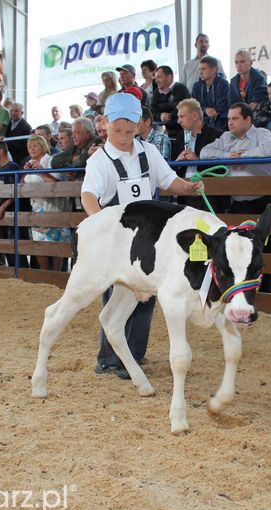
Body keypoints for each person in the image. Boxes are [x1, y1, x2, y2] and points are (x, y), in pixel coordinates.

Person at [80, 92, 201, 379]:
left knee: (146, 299)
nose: (123, 136)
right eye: (117, 130)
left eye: (130, 131)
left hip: (150, 239)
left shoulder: (149, 152)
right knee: (116, 300)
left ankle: (134, 357)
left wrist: (190, 188)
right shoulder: (100, 160)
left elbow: (169, 181)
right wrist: (100, 227)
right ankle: (109, 361)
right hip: (119, 241)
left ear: (139, 126)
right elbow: (88, 194)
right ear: (105, 124)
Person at [201, 102, 271, 293]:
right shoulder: (226, 137)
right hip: (237, 204)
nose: (230, 122)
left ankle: (266, 296)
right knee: (237, 252)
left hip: (263, 202)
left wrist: (242, 157)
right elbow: (205, 152)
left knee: (263, 253)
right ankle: (240, 294)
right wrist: (229, 155)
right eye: (228, 118)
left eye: (235, 118)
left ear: (247, 119)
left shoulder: (262, 134)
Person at [20, 135, 68, 271]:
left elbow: (57, 183)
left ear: (43, 146)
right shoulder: (29, 162)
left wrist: (41, 171)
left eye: (35, 145)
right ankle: (44, 274)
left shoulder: (51, 161)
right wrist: (24, 174)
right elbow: (22, 186)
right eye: (29, 147)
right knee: (40, 243)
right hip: (36, 209)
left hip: (53, 207)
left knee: (57, 243)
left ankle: (56, 273)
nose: (32, 149)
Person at [171, 98, 226, 212]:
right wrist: (178, 161)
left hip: (210, 193)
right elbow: (173, 168)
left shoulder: (216, 135)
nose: (178, 121)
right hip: (185, 193)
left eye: (182, 116)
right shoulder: (180, 137)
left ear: (195, 116)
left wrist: (197, 159)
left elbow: (222, 169)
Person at [191, 55, 230, 131]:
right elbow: (193, 106)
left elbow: (223, 105)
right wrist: (205, 110)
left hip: (221, 124)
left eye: (203, 69)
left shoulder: (223, 84)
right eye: (199, 69)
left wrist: (215, 111)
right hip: (202, 125)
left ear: (213, 70)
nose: (200, 72)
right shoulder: (196, 86)